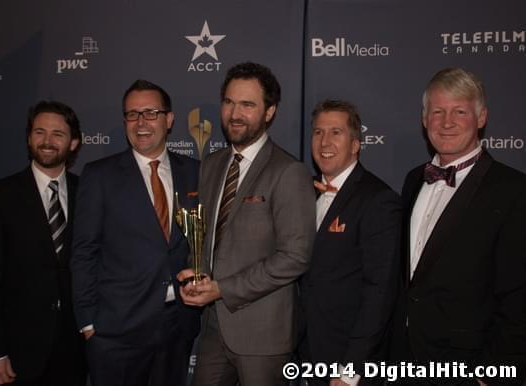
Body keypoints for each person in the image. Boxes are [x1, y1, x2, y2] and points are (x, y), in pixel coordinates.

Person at [178, 62, 316, 386]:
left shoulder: (288, 171)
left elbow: (295, 256)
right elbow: (207, 237)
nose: (234, 113)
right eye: (229, 102)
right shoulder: (211, 165)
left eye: (247, 104)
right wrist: (195, 270)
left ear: (269, 112)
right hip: (213, 327)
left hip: (264, 336)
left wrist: (222, 288)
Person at [393, 68, 526, 385]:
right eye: (437, 111)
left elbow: (519, 296)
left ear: (482, 118)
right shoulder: (413, 179)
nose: (447, 122)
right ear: (424, 120)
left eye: (459, 111)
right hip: (406, 362)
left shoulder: (513, 190)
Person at [71, 79, 200, 386]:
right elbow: (84, 251)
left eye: (151, 113)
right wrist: (88, 323)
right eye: (132, 114)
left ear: (169, 120)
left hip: (176, 325)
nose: (141, 122)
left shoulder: (195, 172)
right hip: (116, 331)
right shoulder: (99, 176)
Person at [0, 101, 86, 386]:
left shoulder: (88, 192)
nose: (47, 141)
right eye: (39, 132)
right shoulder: (0, 196)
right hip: (16, 352)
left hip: (75, 350)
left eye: (58, 134)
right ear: (28, 138)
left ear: (73, 143)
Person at [299, 100, 401, 386]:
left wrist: (350, 370)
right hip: (307, 353)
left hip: (348, 360)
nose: (325, 142)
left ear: (355, 144)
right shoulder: (304, 192)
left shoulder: (378, 200)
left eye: (336, 132)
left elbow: (379, 293)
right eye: (318, 132)